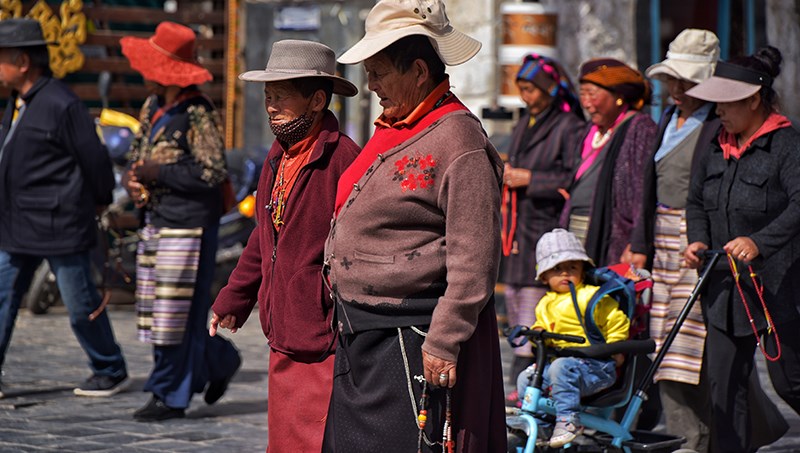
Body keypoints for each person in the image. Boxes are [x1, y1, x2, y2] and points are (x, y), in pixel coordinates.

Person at [322, 0, 507, 451]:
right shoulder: (395, 126)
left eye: (380, 73)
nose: (372, 86)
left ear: (419, 71)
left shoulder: (458, 139)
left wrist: (444, 340)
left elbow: (475, 256)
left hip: (410, 335)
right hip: (365, 333)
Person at [209, 40, 360, 451]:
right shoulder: (279, 155)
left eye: (281, 96)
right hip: (283, 330)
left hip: (323, 334)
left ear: (316, 99)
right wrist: (233, 299)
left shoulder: (343, 159)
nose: (271, 106)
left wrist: (323, 294)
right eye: (267, 96)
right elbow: (263, 235)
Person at [0, 18, 128, 399]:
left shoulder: (62, 103)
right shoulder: (19, 102)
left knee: (80, 303)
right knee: (2, 297)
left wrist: (102, 198)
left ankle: (110, 367)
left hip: (60, 225)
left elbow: (95, 159)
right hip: (16, 223)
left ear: (23, 61)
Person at [119, 21, 241, 421]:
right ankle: (219, 361)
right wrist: (133, 178)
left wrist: (158, 173)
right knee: (161, 313)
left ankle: (169, 393)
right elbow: (138, 154)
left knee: (178, 316)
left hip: (189, 225)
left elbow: (211, 171)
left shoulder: (197, 112)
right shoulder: (153, 107)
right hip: (157, 221)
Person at [684, 46, 800, 452]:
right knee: (724, 387)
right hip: (722, 291)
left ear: (753, 99)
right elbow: (696, 201)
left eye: (726, 104)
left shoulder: (786, 145)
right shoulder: (717, 144)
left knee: (791, 383)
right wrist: (697, 237)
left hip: (776, 290)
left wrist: (759, 241)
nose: (718, 112)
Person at [628, 29, 720, 452]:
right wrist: (640, 241)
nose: (677, 90)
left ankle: (695, 440)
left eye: (686, 82)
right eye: (673, 81)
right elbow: (649, 184)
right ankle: (709, 435)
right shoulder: (668, 119)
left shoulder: (717, 123)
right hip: (660, 245)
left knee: (683, 352)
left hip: (692, 247)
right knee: (661, 348)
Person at [501, 53, 585, 404]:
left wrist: (530, 179)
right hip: (519, 233)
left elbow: (573, 177)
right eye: (521, 88)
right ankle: (519, 385)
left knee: (538, 311)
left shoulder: (568, 127)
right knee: (518, 304)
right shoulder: (525, 123)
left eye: (530, 89)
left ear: (549, 89)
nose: (525, 96)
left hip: (545, 231)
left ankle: (531, 386)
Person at [516, 228, 629, 448]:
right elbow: (544, 340)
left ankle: (568, 420)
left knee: (560, 367)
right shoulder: (545, 304)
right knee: (525, 379)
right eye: (557, 269)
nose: (565, 274)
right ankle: (542, 423)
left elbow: (617, 321)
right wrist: (537, 335)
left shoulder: (592, 297)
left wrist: (616, 350)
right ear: (544, 276)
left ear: (583, 271)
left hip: (595, 368)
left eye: (572, 267)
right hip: (562, 367)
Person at [562, 58, 657, 266]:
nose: (586, 103)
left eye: (592, 94)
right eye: (583, 94)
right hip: (578, 229)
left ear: (619, 96)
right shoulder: (590, 131)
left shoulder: (640, 128)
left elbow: (643, 190)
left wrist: (638, 242)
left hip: (614, 237)